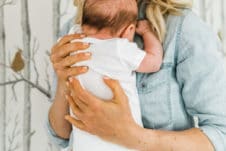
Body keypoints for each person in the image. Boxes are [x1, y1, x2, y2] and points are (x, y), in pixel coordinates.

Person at [47, 0, 226, 150]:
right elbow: (61, 136)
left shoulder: (181, 28)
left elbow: (221, 134)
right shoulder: (73, 31)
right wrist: (66, 79)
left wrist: (132, 136)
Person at [66, 0, 163, 150]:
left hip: (83, 142)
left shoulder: (72, 39)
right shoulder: (119, 48)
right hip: (123, 142)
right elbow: (154, 62)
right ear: (129, 30)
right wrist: (147, 33)